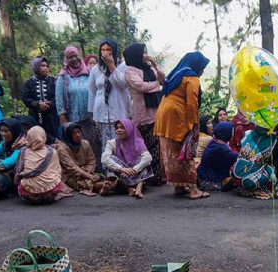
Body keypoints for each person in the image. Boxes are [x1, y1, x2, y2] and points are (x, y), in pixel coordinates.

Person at [154, 51, 211, 200]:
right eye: (202, 67)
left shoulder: (178, 74)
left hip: (163, 115)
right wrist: (193, 124)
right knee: (186, 152)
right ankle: (193, 190)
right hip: (177, 116)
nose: (202, 71)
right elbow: (192, 103)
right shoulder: (191, 77)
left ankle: (178, 187)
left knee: (172, 153)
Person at [123, 43, 165, 185]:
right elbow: (141, 86)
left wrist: (154, 63)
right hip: (141, 115)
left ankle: (157, 177)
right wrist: (157, 85)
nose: (145, 55)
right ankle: (143, 178)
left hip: (155, 112)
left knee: (156, 146)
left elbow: (163, 78)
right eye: (143, 52)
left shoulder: (149, 68)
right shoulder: (130, 71)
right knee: (143, 147)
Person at [88, 38, 132, 162]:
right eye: (102, 50)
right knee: (106, 146)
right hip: (101, 114)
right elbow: (92, 92)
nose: (105, 53)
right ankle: (109, 174)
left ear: (114, 51)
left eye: (108, 50)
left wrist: (112, 66)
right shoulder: (96, 69)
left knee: (121, 144)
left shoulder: (123, 67)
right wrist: (91, 113)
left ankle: (123, 173)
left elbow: (123, 84)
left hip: (119, 112)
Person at [55, 46, 97, 158]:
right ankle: (82, 173)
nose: (74, 59)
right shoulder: (63, 76)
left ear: (80, 56)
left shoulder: (90, 72)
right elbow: (59, 99)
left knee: (93, 147)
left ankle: (97, 172)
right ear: (66, 60)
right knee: (78, 149)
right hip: (73, 121)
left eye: (75, 56)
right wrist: (62, 118)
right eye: (70, 57)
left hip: (90, 119)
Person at [15, 126, 68, 204]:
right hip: (50, 194)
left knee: (21, 182)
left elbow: (18, 170)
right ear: (44, 137)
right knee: (56, 174)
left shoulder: (23, 151)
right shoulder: (52, 151)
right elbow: (58, 171)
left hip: (29, 196)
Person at [100, 119, 153, 198]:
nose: (118, 130)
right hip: (121, 174)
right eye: (117, 128)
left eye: (122, 128)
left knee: (145, 161)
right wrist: (122, 169)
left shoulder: (138, 142)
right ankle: (129, 188)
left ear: (129, 129)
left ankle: (138, 188)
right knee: (110, 159)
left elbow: (148, 157)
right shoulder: (112, 143)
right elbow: (104, 159)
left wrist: (134, 170)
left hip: (134, 174)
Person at [232, 126, 278, 199]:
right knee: (274, 168)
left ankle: (243, 188)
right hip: (249, 182)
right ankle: (268, 189)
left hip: (235, 176)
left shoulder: (247, 133)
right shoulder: (273, 141)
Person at [57, 121, 101, 196]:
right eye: (74, 133)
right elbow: (72, 167)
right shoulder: (62, 149)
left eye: (79, 132)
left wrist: (88, 170)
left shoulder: (85, 143)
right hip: (70, 175)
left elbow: (91, 161)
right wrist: (88, 176)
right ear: (68, 135)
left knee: (99, 177)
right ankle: (103, 186)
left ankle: (105, 186)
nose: (78, 135)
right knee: (87, 183)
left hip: (86, 172)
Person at [21, 56, 58, 139]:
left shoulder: (53, 81)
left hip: (52, 116)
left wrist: (50, 103)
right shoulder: (29, 83)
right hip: (35, 116)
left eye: (47, 66)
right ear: (36, 67)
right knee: (37, 138)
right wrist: (37, 104)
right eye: (42, 66)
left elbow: (58, 96)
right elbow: (25, 97)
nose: (46, 68)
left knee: (53, 138)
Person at [198, 121, 237, 191]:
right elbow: (236, 157)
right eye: (232, 132)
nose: (233, 134)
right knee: (237, 178)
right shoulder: (221, 148)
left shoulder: (215, 141)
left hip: (202, 177)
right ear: (226, 133)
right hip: (208, 183)